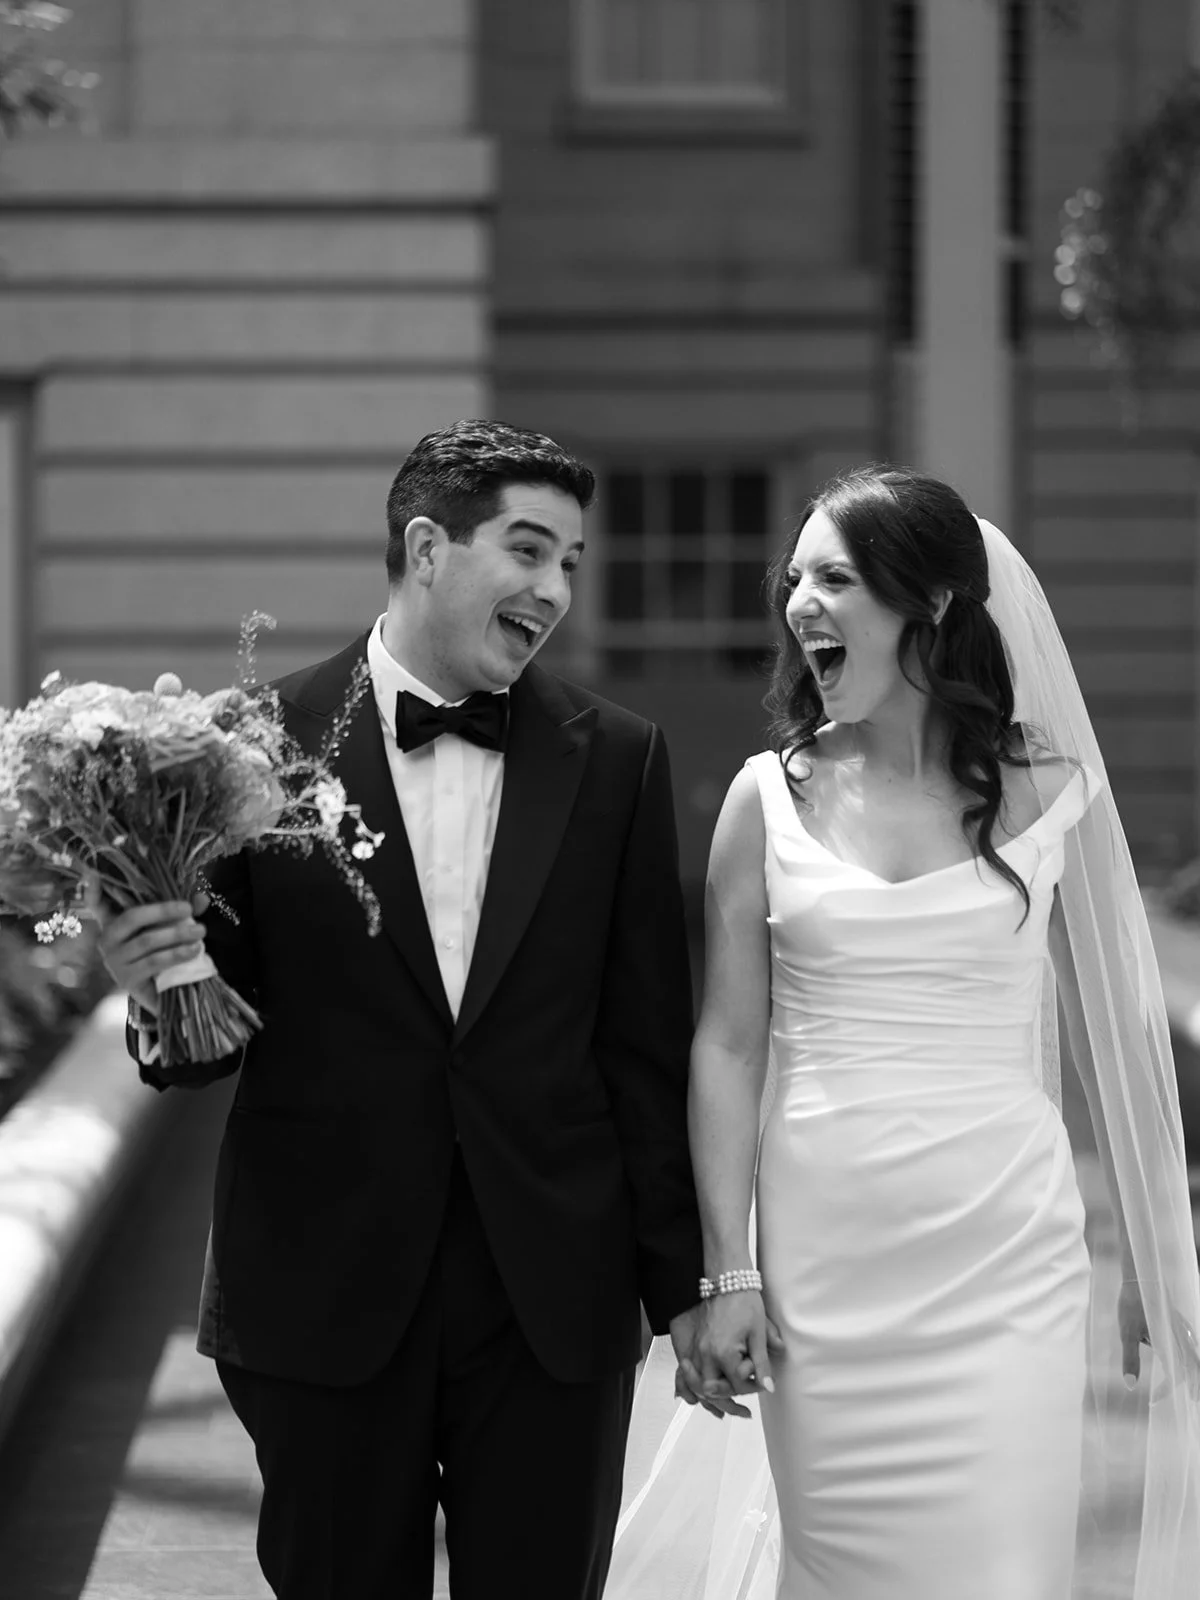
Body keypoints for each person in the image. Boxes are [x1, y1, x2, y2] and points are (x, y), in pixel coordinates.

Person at [100, 419, 710, 1600]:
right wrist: (154, 976)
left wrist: (684, 1286)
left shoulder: (621, 760)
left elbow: (645, 1047)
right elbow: (203, 1037)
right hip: (321, 1293)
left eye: (571, 562)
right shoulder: (245, 750)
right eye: (529, 551)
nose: (555, 589)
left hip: (551, 1301)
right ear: (427, 548)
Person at [608, 465, 1200, 1600]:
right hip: (823, 1267)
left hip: (1006, 1258)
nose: (799, 605)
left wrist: (1151, 1248)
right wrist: (727, 1269)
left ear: (926, 603)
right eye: (794, 580)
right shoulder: (762, 799)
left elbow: (1111, 1026)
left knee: (1004, 1573)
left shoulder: (1050, 789)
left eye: (833, 577)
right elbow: (726, 1045)